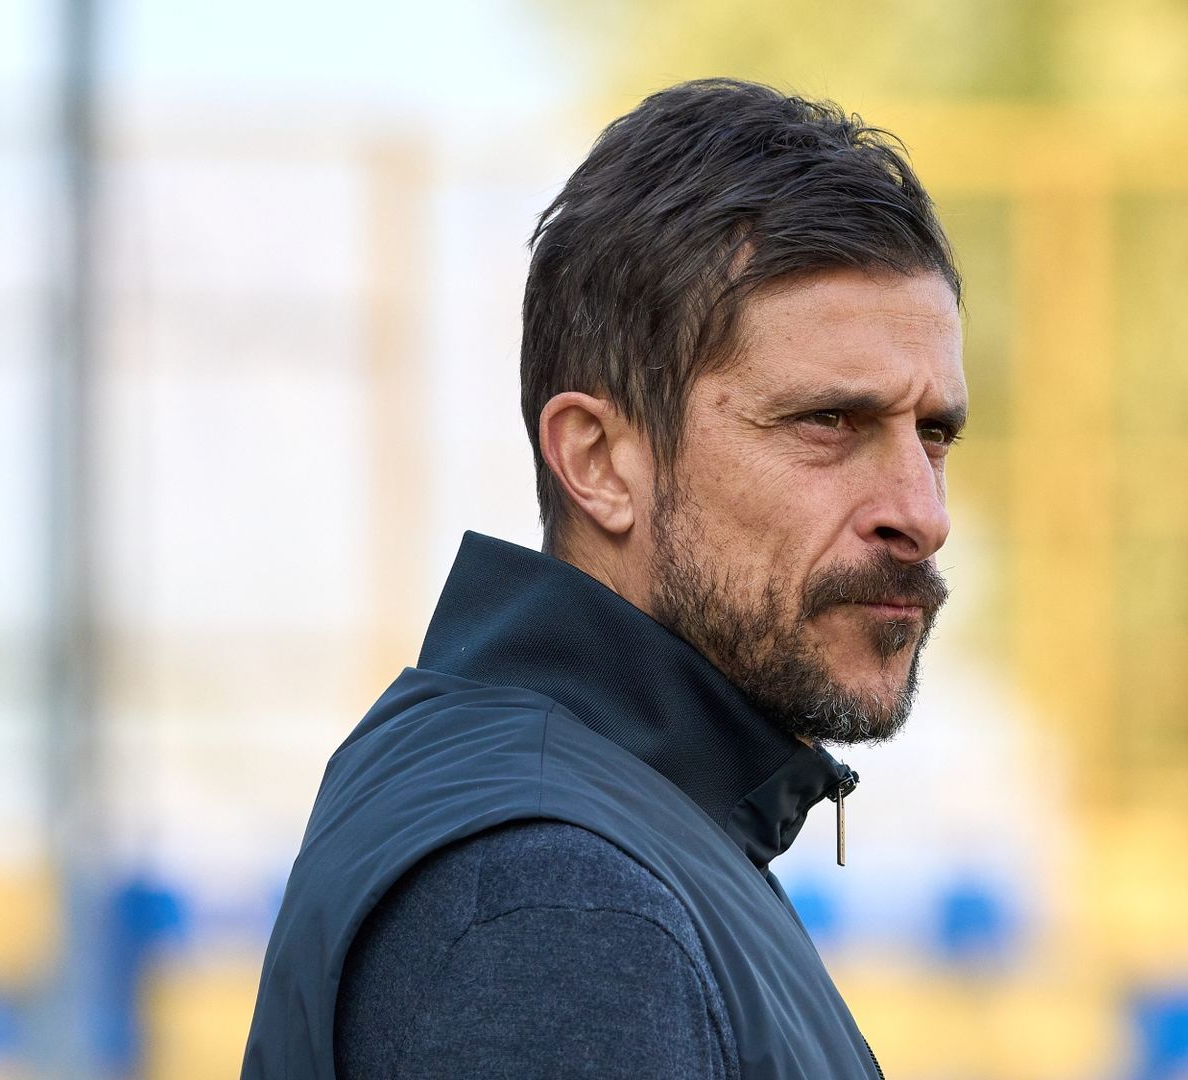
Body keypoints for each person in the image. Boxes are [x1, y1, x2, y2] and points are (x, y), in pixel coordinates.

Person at [241, 77, 966, 1080]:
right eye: (828, 422)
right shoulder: (551, 903)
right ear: (599, 462)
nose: (922, 513)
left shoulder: (625, 830)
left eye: (934, 433)